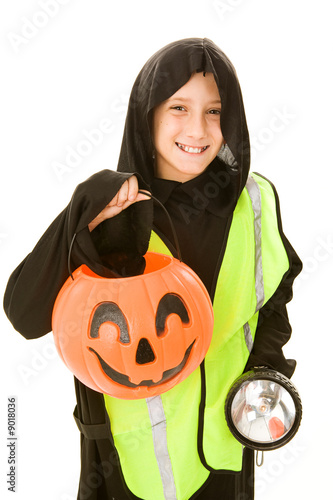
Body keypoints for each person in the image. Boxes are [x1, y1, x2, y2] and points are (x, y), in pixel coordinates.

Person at [3, 38, 302, 499]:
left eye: (215, 111)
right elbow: (24, 315)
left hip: (225, 450)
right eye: (178, 107)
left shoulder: (256, 201)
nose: (198, 129)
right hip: (124, 465)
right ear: (147, 115)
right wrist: (78, 218)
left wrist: (265, 379)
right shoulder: (113, 213)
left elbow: (273, 298)